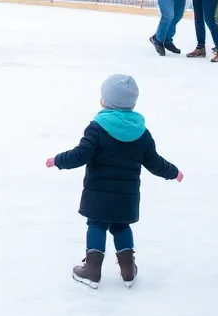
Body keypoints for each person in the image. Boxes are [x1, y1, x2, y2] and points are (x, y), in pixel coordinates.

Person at [46, 74, 182, 288]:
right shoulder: (141, 132)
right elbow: (154, 162)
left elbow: (81, 154)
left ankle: (92, 270)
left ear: (106, 101)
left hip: (98, 193)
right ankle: (128, 269)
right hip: (126, 196)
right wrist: (173, 172)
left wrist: (59, 160)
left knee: (96, 224)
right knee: (121, 226)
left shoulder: (97, 128)